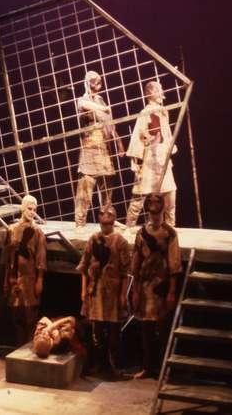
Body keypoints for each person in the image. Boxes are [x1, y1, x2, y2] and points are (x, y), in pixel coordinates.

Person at [130, 194, 181, 379]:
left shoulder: (169, 233)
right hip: (145, 287)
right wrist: (135, 290)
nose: (153, 206)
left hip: (161, 287)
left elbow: (174, 264)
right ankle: (148, 367)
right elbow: (136, 262)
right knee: (146, 330)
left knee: (163, 330)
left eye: (157, 203)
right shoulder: (142, 232)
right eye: (150, 203)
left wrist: (172, 291)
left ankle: (164, 369)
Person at [77, 206, 129, 379]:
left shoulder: (120, 241)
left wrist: (123, 295)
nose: (105, 224)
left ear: (113, 221)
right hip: (96, 291)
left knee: (114, 332)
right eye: (102, 220)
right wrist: (84, 292)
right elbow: (84, 267)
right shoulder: (94, 239)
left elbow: (124, 272)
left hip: (112, 293)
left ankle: (113, 366)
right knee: (97, 331)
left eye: (108, 220)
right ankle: (99, 364)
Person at [74, 71, 125, 228]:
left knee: (107, 186)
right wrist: (103, 109)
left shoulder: (102, 101)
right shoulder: (83, 100)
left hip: (104, 148)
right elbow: (83, 105)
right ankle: (80, 222)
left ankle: (108, 217)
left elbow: (111, 125)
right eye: (95, 82)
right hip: (90, 148)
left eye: (100, 82)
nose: (98, 85)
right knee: (85, 189)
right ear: (88, 83)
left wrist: (119, 144)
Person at [126, 80, 177, 227]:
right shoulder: (145, 112)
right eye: (159, 90)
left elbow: (166, 133)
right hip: (150, 158)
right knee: (140, 194)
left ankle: (170, 227)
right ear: (150, 93)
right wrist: (134, 161)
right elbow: (137, 136)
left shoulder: (163, 111)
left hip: (163, 157)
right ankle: (129, 227)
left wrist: (170, 146)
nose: (162, 93)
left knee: (170, 193)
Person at [2, 195, 46, 346]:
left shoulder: (37, 231)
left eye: (34, 209)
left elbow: (40, 258)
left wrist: (39, 280)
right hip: (15, 279)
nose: (32, 212)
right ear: (22, 208)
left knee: (30, 316)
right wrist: (6, 279)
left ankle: (28, 346)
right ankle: (19, 345)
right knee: (16, 315)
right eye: (29, 208)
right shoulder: (12, 229)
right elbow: (7, 258)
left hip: (29, 278)